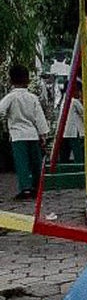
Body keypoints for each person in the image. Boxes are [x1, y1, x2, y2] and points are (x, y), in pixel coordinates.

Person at [0, 64, 49, 199]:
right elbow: (39, 117)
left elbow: (1, 111)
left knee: (22, 162)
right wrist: (43, 134)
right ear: (28, 80)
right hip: (32, 133)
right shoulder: (32, 97)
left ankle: (25, 188)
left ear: (11, 80)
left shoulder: (10, 97)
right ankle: (37, 186)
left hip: (17, 135)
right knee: (36, 162)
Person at [59, 83, 85, 164]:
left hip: (63, 132)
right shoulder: (74, 101)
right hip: (73, 132)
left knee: (64, 153)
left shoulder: (63, 99)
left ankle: (63, 167)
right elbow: (84, 113)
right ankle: (80, 167)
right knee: (78, 153)